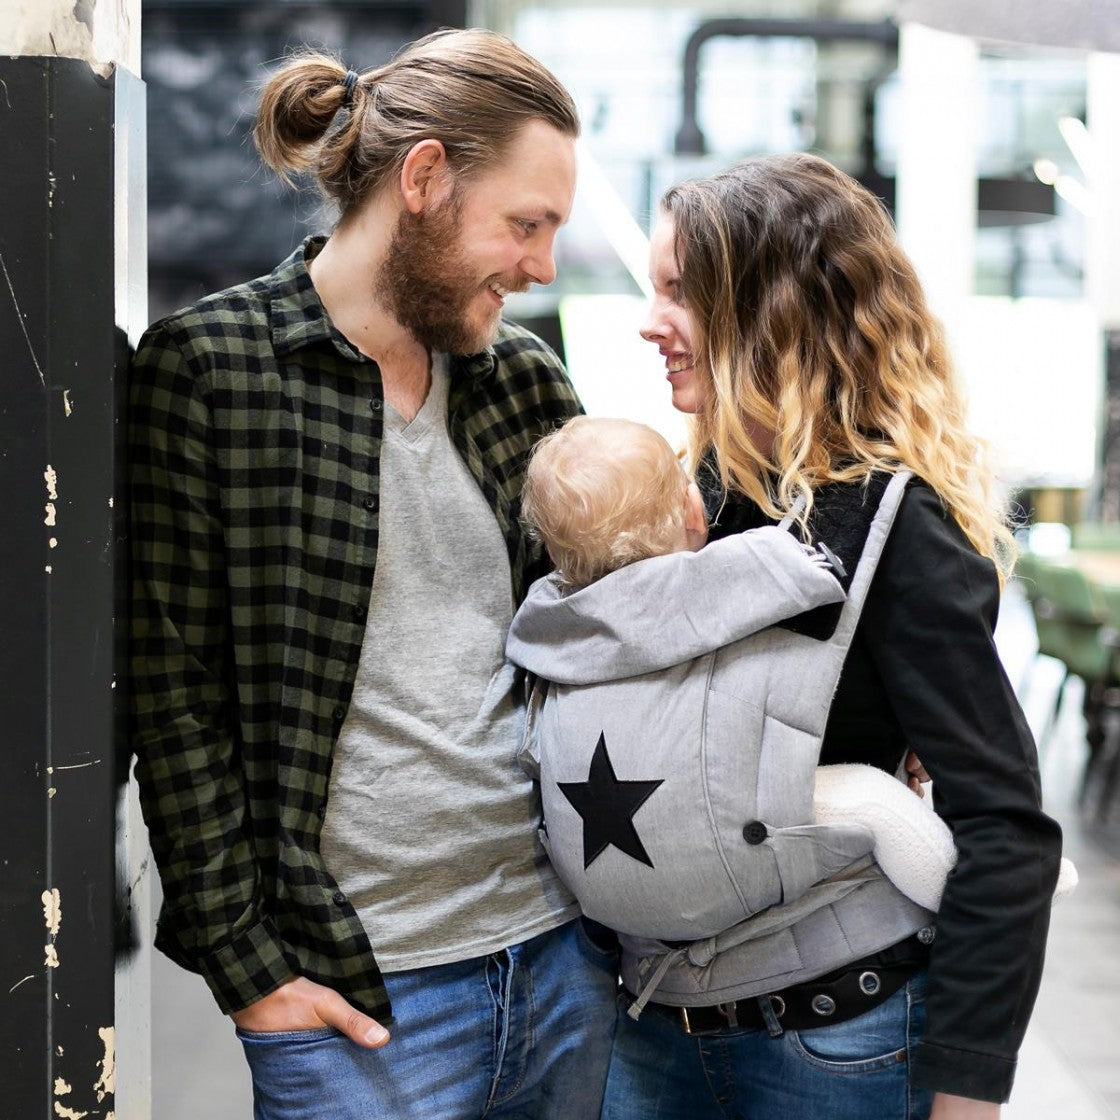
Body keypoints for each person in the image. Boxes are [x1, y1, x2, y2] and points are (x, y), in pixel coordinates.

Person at [128, 29, 619, 1120]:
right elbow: (173, 699)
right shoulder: (210, 370)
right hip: (361, 999)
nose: (539, 266)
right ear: (426, 178)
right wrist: (247, 967)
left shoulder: (524, 383)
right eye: (524, 225)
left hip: (565, 963)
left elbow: (613, 631)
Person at [585, 154, 1063, 1120]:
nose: (649, 322)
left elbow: (1005, 826)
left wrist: (968, 1087)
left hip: (831, 1047)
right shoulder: (694, 505)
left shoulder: (895, 527)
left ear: (768, 312)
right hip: (652, 1029)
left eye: (680, 293)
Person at [509, 415, 973, 936]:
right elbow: (805, 571)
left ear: (552, 552)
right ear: (692, 508)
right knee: (872, 799)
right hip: (726, 843)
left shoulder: (549, 629)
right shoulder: (726, 582)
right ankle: (966, 897)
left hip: (609, 884)